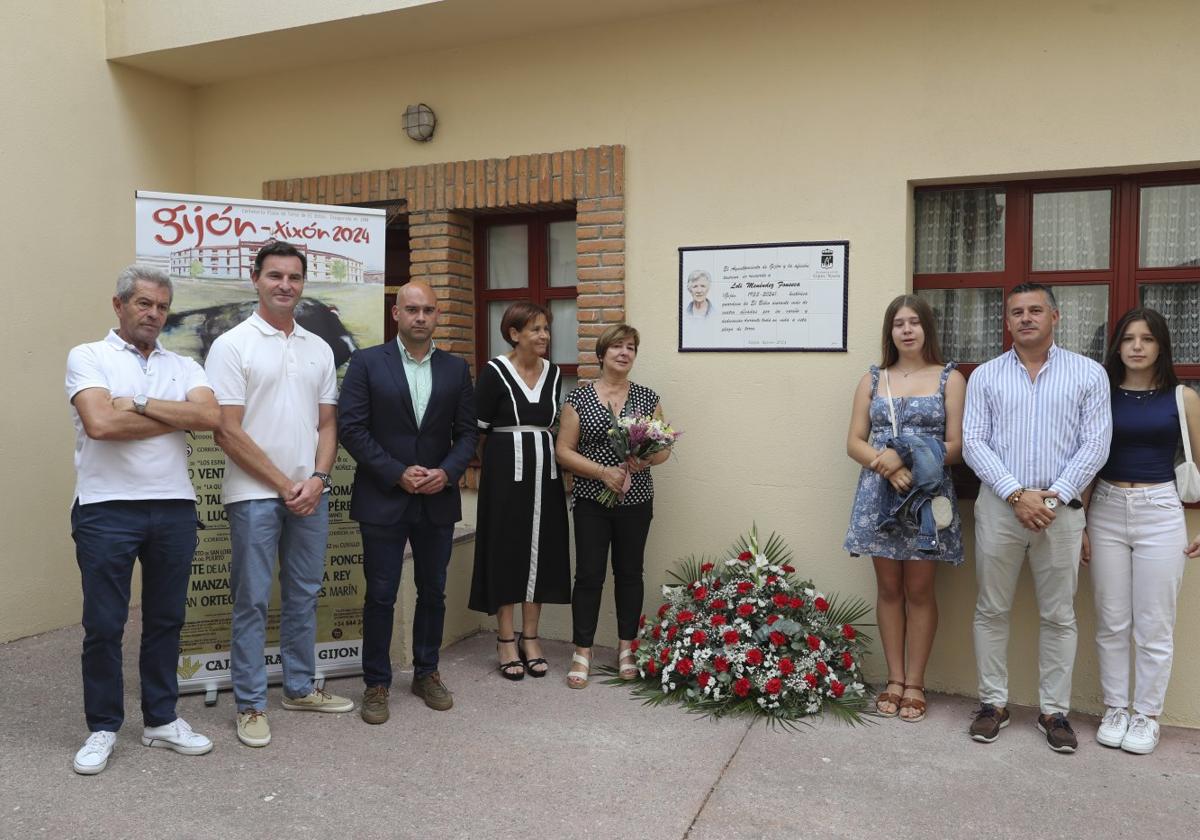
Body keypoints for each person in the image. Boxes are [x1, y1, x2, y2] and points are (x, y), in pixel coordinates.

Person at [65, 265, 219, 774]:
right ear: (119, 305)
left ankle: (160, 720)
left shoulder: (185, 365)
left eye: (161, 306)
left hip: (174, 506)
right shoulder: (89, 356)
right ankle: (103, 727)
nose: (154, 314)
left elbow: (209, 418)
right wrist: (169, 416)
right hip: (105, 508)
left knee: (165, 620)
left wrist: (142, 403)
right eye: (144, 304)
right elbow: (101, 423)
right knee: (104, 626)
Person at [206, 240, 354, 749]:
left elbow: (327, 423)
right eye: (275, 276)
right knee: (250, 599)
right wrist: (283, 483)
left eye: (294, 277)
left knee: (304, 594)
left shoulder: (318, 347)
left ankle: (298, 687)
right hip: (253, 494)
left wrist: (317, 479)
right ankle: (249, 705)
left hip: (310, 492)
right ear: (256, 278)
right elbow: (227, 430)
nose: (285, 285)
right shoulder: (231, 345)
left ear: (303, 282)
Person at [963, 282, 1111, 753]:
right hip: (1000, 509)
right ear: (1006, 322)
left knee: (1059, 614)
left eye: (1035, 310)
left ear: (1055, 317)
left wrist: (1054, 498)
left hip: (1061, 514)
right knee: (991, 609)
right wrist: (1015, 494)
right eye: (1016, 312)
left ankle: (1055, 712)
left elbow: (1096, 444)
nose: (1025, 318)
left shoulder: (1088, 374)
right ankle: (992, 704)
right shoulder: (986, 376)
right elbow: (973, 442)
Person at [337, 281, 477, 720]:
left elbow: (468, 433)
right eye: (412, 309)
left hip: (436, 497)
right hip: (383, 496)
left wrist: (448, 472)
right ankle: (376, 683)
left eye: (428, 310)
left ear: (437, 316)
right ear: (395, 314)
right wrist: (396, 472)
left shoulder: (456, 369)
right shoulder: (365, 363)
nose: (420, 317)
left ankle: (426, 672)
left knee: (432, 591)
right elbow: (352, 429)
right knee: (380, 593)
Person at [843, 295, 965, 722]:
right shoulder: (873, 379)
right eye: (899, 324)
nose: (907, 330)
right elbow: (855, 440)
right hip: (879, 493)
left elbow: (956, 446)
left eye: (915, 322)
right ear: (890, 332)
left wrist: (907, 458)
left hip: (926, 497)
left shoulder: (950, 378)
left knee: (919, 591)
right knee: (889, 589)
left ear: (927, 328)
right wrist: (886, 464)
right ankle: (893, 679)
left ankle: (915, 682)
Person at [1084, 307, 1200, 755]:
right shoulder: (1103, 395)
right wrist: (1081, 524)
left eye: (1146, 339)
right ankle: (1115, 708)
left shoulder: (1182, 397)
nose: (1136, 347)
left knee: (1154, 625)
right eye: (1128, 338)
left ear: (1161, 346)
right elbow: (1089, 462)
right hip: (1107, 509)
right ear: (1117, 346)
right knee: (1112, 621)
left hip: (1161, 511)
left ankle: (1147, 715)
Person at [556, 324, 669, 688]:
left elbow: (664, 447)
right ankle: (583, 650)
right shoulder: (579, 398)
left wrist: (645, 460)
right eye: (617, 346)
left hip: (636, 501)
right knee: (589, 575)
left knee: (630, 574)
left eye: (631, 347)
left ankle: (626, 647)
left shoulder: (648, 398)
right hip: (592, 500)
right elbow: (563, 451)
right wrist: (603, 472)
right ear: (602, 354)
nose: (624, 352)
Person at [468, 302, 570, 679]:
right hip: (504, 476)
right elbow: (478, 430)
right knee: (506, 551)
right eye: (536, 329)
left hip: (547, 477)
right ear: (514, 334)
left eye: (546, 329)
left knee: (541, 553)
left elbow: (553, 427)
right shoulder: (494, 371)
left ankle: (531, 637)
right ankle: (505, 638)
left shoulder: (554, 374)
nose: (544, 336)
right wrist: (495, 471)